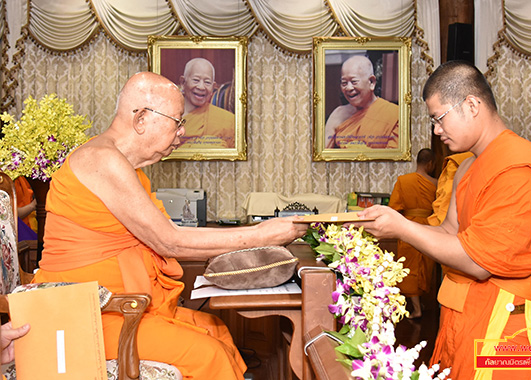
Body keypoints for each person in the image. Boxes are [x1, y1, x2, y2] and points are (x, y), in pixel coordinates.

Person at [32, 72, 308, 380]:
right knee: (209, 354)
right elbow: (169, 242)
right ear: (141, 119)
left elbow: (167, 236)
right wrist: (260, 235)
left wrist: (260, 235)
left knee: (216, 329)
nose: (182, 132)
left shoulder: (128, 168)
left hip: (120, 306)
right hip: (88, 313)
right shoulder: (102, 159)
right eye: (178, 121)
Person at [352, 60, 531, 380]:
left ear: (471, 105)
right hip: (462, 318)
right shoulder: (467, 167)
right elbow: (449, 233)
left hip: (510, 328)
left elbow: (479, 261)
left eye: (439, 118)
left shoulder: (520, 170)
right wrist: (389, 223)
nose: (436, 131)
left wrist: (400, 227)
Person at [388, 148, 437, 319]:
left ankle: (417, 308)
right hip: (430, 228)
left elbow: (393, 208)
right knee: (424, 266)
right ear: (430, 164)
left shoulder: (403, 181)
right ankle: (418, 307)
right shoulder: (436, 184)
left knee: (409, 267)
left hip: (408, 227)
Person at [325, 55, 398, 149]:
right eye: (344, 83)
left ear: (371, 82)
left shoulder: (394, 114)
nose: (349, 88)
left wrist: (355, 149)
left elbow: (394, 159)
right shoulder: (338, 114)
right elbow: (323, 155)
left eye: (354, 82)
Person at [178, 58, 235, 149]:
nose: (201, 87)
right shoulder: (167, 116)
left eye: (207, 82)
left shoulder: (229, 121)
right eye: (196, 80)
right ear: (183, 82)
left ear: (213, 87)